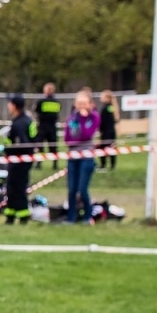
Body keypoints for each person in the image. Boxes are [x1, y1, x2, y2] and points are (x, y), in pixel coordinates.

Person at [64, 88, 100, 223]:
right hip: (73, 157)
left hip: (87, 157)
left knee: (82, 189)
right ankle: (71, 217)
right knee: (71, 189)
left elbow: (87, 134)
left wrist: (84, 118)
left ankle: (88, 216)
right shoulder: (71, 118)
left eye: (84, 103)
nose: (81, 106)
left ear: (90, 104)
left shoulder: (94, 117)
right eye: (79, 103)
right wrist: (77, 140)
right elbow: (67, 139)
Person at [2, 94, 37, 225]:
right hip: (19, 161)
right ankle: (10, 215)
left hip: (19, 161)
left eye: (10, 103)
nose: (8, 106)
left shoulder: (20, 123)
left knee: (18, 189)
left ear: (15, 105)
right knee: (11, 188)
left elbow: (21, 143)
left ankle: (23, 216)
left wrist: (8, 146)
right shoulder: (23, 120)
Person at [37, 82, 62, 170]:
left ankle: (39, 163)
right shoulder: (57, 102)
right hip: (52, 126)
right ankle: (55, 164)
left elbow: (37, 111)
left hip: (42, 126)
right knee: (53, 145)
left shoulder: (41, 102)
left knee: (40, 146)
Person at [97, 89, 118, 171]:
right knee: (111, 148)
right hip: (112, 131)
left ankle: (103, 165)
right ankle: (112, 165)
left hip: (106, 131)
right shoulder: (111, 107)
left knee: (102, 148)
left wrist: (100, 129)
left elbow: (102, 120)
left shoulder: (105, 108)